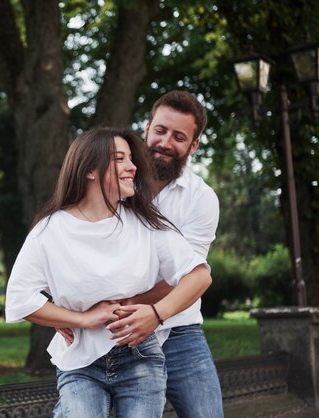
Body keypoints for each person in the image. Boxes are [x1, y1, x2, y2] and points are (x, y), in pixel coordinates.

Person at [5, 127, 213, 418]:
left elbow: (200, 275)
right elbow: (19, 298)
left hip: (140, 357)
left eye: (131, 158)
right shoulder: (51, 230)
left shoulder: (146, 224)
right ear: (90, 169)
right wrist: (81, 318)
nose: (133, 167)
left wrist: (156, 314)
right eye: (120, 159)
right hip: (80, 362)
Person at [58, 91, 223, 418]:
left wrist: (130, 310)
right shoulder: (111, 182)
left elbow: (186, 277)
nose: (165, 142)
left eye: (178, 137)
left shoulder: (201, 199)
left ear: (194, 146)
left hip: (178, 329)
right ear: (147, 128)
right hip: (108, 330)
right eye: (160, 130)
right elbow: (71, 251)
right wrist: (70, 313)